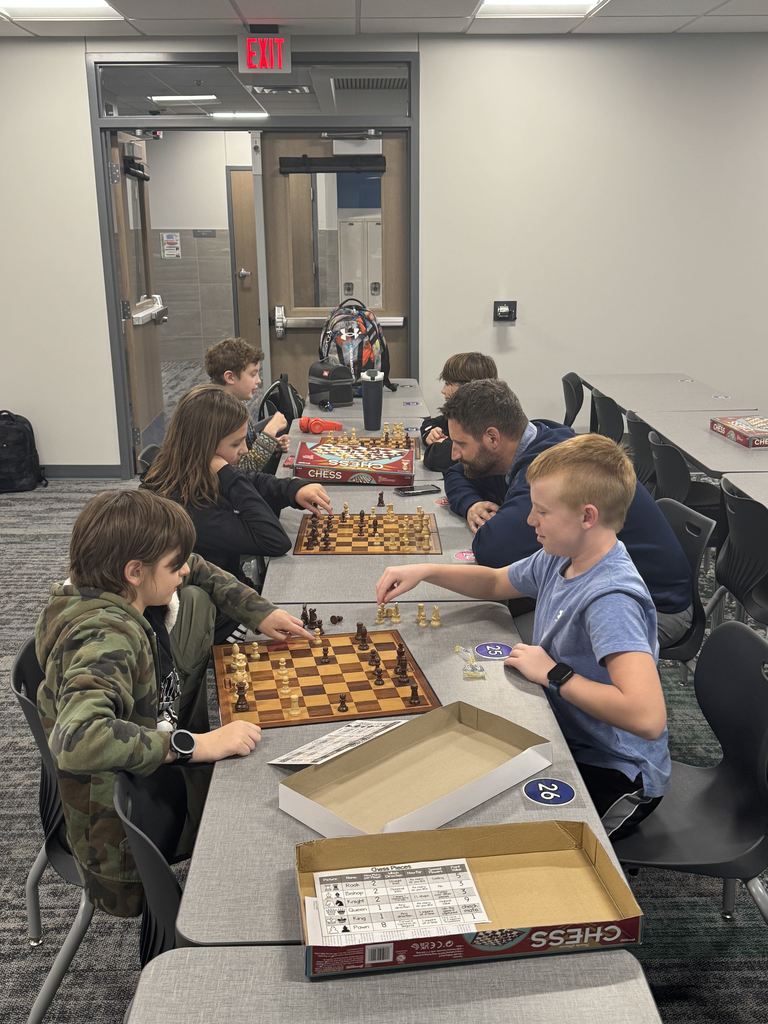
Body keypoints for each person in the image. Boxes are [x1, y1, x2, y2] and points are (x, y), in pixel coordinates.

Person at [35, 488, 313, 918]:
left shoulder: (99, 585)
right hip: (126, 842)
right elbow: (78, 738)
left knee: (196, 595)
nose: (184, 569)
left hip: (138, 782)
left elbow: (197, 566)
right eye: (172, 565)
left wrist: (257, 612)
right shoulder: (106, 636)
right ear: (133, 571)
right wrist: (194, 745)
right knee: (272, 811)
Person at [376, 434, 670, 839]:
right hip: (564, 729)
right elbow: (497, 582)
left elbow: (647, 718)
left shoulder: (610, 599)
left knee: (507, 831)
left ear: (587, 516)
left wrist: (555, 674)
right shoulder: (562, 555)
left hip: (616, 770)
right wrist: (426, 571)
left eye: (542, 511)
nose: (531, 521)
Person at [442, 379, 693, 646]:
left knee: (497, 635)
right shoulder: (537, 439)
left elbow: (495, 550)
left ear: (493, 438)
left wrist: (555, 673)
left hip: (652, 609)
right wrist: (471, 502)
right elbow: (455, 471)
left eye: (460, 444)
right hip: (586, 585)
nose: (454, 454)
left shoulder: (554, 476)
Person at [143, 384, 332, 595]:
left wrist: (293, 490)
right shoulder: (188, 509)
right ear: (205, 448)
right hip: (218, 605)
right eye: (236, 444)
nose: (245, 450)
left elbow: (251, 481)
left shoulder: (191, 471)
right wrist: (226, 472)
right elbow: (273, 540)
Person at [205, 337, 288, 473]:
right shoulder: (218, 413)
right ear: (230, 377)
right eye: (253, 374)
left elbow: (247, 448)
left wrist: (271, 445)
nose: (259, 381)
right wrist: (270, 430)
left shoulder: (234, 403)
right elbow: (245, 468)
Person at [419, 352, 498, 473]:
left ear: (468, 387)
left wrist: (442, 445)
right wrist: (431, 433)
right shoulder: (464, 414)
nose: (443, 391)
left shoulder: (486, 421)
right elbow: (430, 422)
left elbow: (437, 457)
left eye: (448, 384)